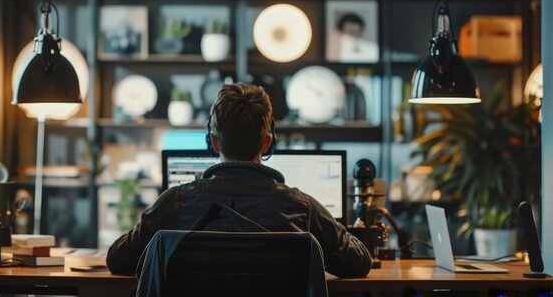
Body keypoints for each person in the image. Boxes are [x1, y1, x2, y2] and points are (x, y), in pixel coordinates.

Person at [106, 83, 372, 278]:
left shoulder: (174, 203)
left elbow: (118, 260)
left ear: (213, 142)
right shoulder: (301, 207)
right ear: (268, 143)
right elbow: (358, 263)